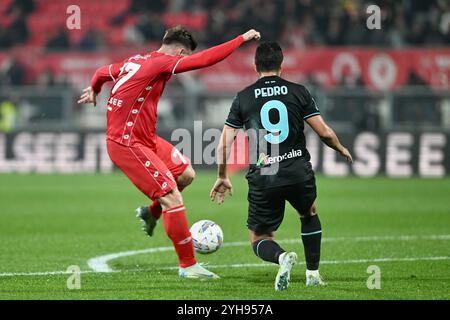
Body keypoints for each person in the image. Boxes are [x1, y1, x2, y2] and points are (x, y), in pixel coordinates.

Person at [77, 26, 261, 279]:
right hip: (127, 143)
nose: (182, 62)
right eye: (184, 57)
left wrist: (95, 89)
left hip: (146, 139)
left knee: (185, 175)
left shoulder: (137, 60)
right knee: (172, 198)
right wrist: (241, 38)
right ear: (180, 51)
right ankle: (188, 266)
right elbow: (206, 59)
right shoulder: (163, 63)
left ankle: (150, 213)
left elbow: (100, 72)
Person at [210, 42, 352, 291]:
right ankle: (313, 274)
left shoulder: (243, 97)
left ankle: (281, 257)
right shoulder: (298, 91)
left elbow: (224, 144)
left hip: (265, 173)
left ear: (255, 66)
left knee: (259, 237)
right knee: (309, 213)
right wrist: (339, 148)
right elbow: (324, 133)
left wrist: (222, 175)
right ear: (282, 65)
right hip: (297, 168)